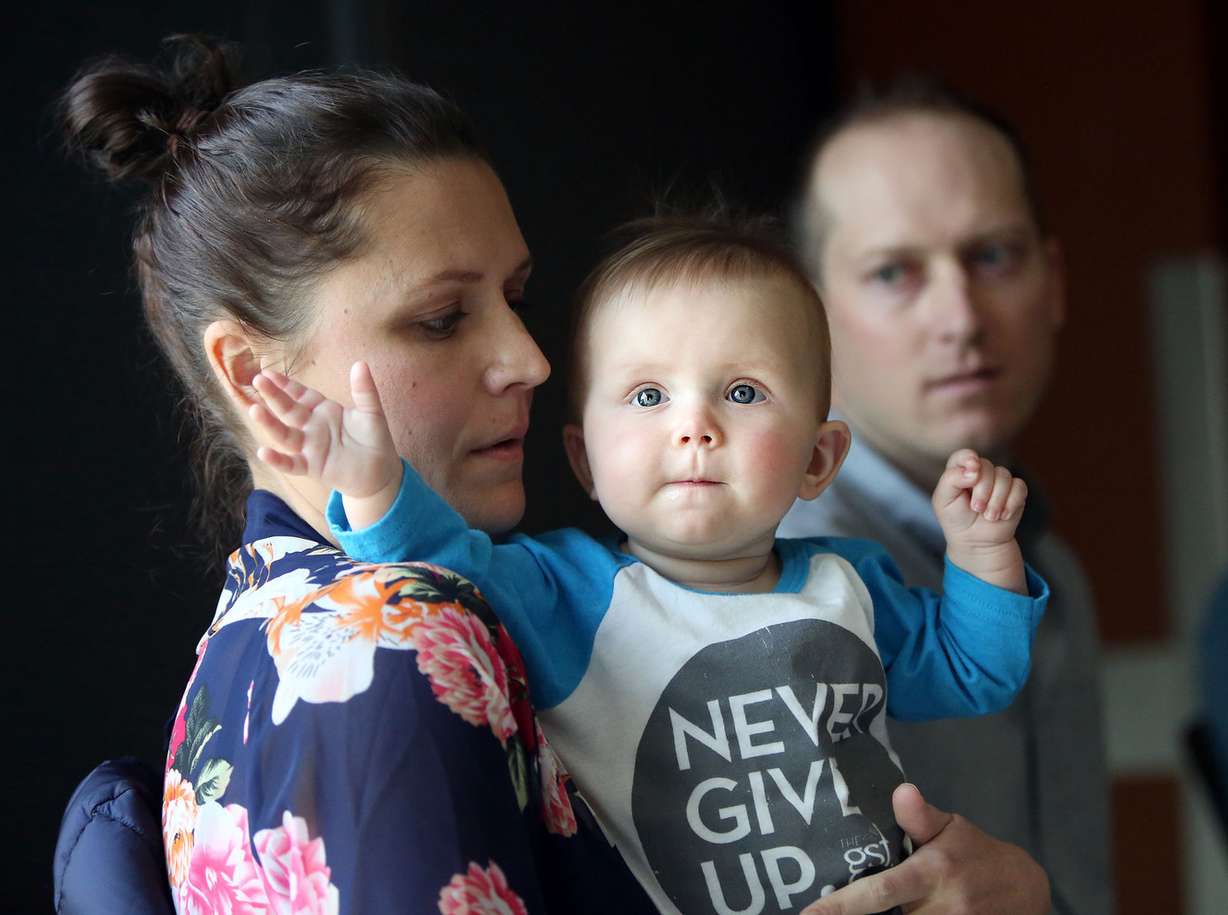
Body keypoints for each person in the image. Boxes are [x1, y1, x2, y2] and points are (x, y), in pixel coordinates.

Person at [58, 35, 1054, 915]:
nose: (532, 360)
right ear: (251, 370)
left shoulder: (280, 645)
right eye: (441, 318)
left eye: (518, 298)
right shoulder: (394, 648)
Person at [245, 214, 1048, 913]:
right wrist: (375, 482)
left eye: (741, 392)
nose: (693, 426)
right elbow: (433, 565)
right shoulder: (565, 593)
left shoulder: (851, 583)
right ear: (585, 461)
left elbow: (977, 668)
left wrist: (981, 553)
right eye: (647, 397)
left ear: (818, 458)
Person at [779, 78, 1112, 914]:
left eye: (993, 255)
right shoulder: (782, 581)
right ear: (806, 318)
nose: (960, 316)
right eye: (894, 271)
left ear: (1055, 280)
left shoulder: (1053, 571)